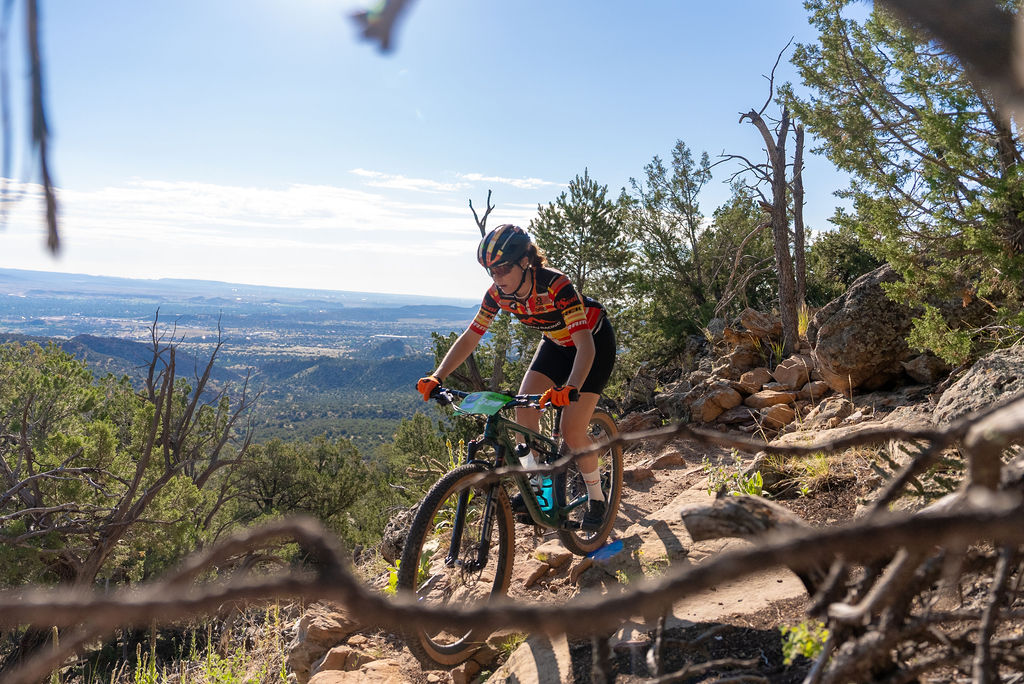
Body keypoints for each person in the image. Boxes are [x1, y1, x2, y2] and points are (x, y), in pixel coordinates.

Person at [416, 224, 616, 529]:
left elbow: (585, 346)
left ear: (525, 262)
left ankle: (597, 495)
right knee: (524, 413)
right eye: (490, 271)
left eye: (503, 268)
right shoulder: (498, 294)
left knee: (572, 430)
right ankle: (541, 488)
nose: (497, 277)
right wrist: (438, 375)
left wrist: (571, 387)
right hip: (555, 344)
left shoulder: (556, 285)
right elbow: (472, 336)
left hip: (592, 344)